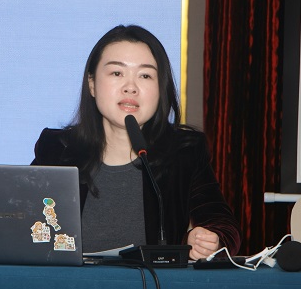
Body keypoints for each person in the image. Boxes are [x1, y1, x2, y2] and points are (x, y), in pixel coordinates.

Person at [31, 24, 241, 259]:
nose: (130, 87)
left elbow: (225, 228)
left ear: (160, 89)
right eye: (117, 73)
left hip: (152, 283)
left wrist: (209, 240)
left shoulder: (184, 152)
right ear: (92, 84)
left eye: (145, 76)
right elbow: (21, 222)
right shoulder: (57, 149)